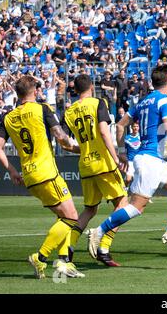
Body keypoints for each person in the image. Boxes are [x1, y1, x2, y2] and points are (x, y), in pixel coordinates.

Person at [88, 65, 167, 254]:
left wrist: (121, 150)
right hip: (149, 160)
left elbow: (121, 125)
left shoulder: (143, 101)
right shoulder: (164, 100)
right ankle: (99, 231)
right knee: (136, 207)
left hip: (153, 159)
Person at [0, 75, 84, 278]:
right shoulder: (42, 109)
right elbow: (61, 138)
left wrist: (13, 172)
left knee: (64, 217)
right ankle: (40, 257)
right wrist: (80, 149)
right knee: (72, 217)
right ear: (34, 91)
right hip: (47, 172)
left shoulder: (8, 117)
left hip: (29, 176)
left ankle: (64, 263)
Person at [61, 74, 129, 267]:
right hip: (103, 163)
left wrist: (81, 148)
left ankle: (68, 247)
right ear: (91, 86)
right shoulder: (99, 102)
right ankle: (103, 247)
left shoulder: (70, 111)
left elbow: (63, 142)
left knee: (90, 209)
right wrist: (116, 157)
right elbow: (103, 130)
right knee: (123, 203)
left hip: (86, 164)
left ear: (75, 90)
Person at [124, 121, 141, 186]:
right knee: (128, 179)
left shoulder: (141, 137)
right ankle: (125, 189)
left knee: (139, 180)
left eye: (137, 126)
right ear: (131, 127)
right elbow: (123, 150)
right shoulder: (127, 137)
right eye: (134, 126)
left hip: (139, 161)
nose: (135, 128)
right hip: (130, 161)